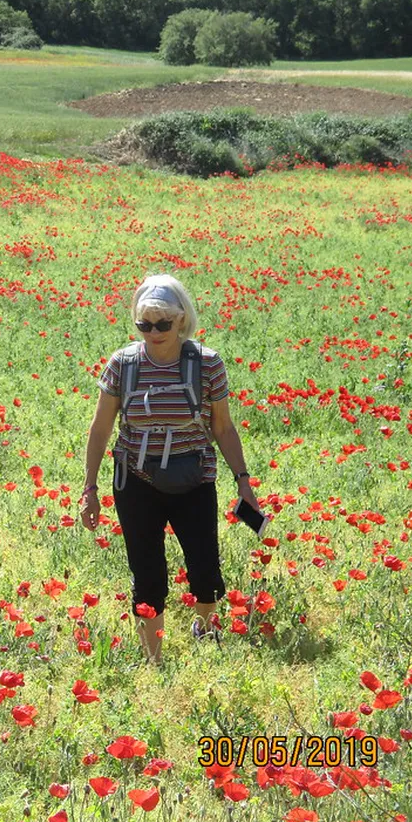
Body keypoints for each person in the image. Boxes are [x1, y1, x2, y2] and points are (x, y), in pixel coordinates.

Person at [79, 274, 261, 665]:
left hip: (193, 477)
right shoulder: (123, 364)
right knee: (147, 571)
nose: (154, 332)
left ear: (182, 320)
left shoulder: (207, 363)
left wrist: (243, 481)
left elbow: (223, 428)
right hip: (136, 479)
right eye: (144, 324)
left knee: (205, 566)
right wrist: (89, 488)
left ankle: (206, 627)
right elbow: (100, 429)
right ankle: (153, 658)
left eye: (163, 323)